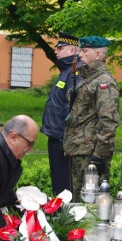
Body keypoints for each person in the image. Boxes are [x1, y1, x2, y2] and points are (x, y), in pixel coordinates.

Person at [63, 35, 120, 199]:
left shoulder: (103, 83)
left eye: (85, 51)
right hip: (79, 150)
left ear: (98, 55)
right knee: (78, 200)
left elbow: (109, 122)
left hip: (90, 154)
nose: (80, 54)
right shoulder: (88, 79)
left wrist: (99, 157)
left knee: (89, 203)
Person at [41, 31, 81, 195]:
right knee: (58, 182)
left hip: (64, 138)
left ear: (72, 51)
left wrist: (67, 137)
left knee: (65, 186)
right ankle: (59, 214)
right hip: (56, 135)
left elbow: (74, 107)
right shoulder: (66, 71)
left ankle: (66, 217)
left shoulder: (75, 72)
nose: (55, 51)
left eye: (60, 48)